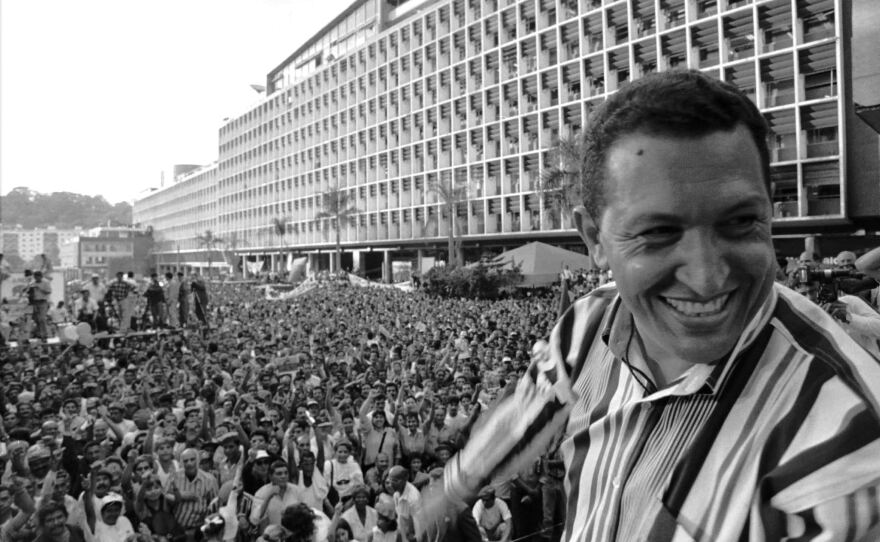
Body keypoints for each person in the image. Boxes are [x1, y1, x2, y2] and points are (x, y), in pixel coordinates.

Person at [424, 70, 880, 540]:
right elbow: (528, 414)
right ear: (594, 239)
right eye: (658, 233)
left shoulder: (847, 438)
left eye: (741, 222)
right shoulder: (588, 322)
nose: (706, 278)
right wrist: (449, 489)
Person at [28, 270, 51, 339]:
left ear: (41, 277)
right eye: (35, 277)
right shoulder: (32, 282)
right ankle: (38, 333)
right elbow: (29, 292)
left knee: (42, 319)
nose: (36, 279)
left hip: (43, 302)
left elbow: (48, 291)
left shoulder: (46, 282)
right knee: (36, 319)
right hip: (34, 302)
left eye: (37, 277)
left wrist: (39, 288)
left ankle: (45, 334)